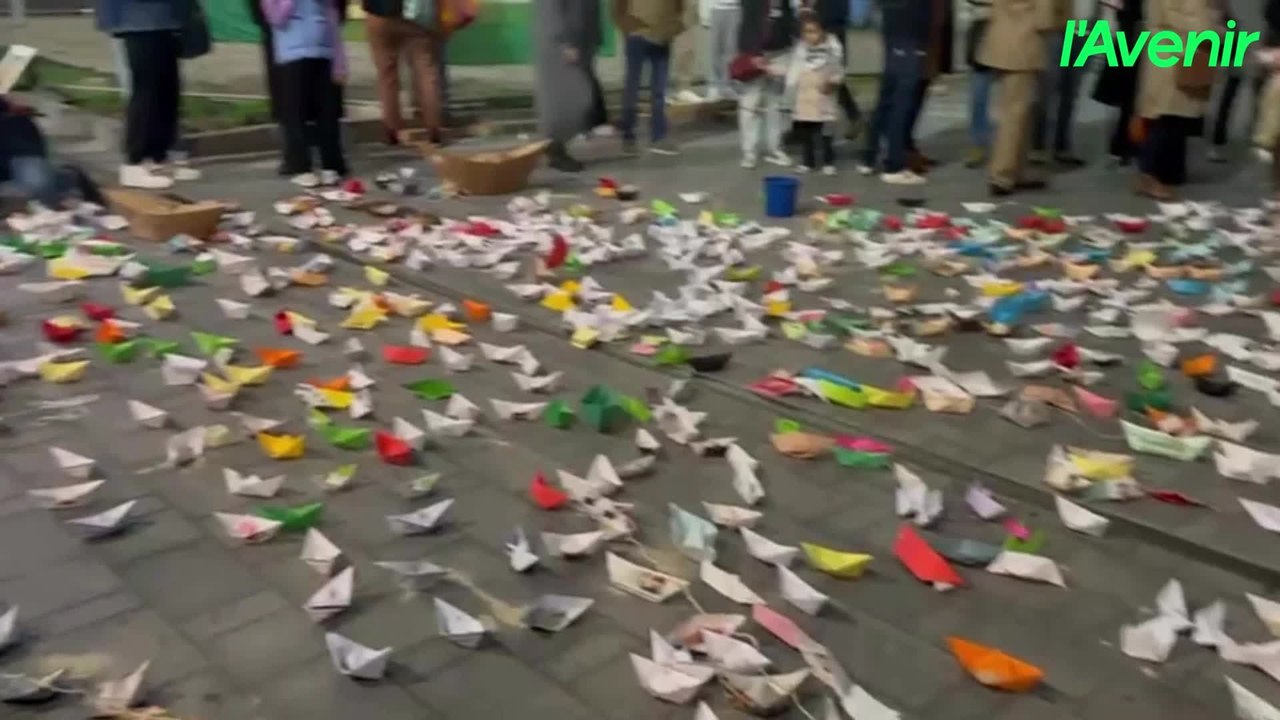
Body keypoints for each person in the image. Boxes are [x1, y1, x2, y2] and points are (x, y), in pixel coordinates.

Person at [96, 0, 192, 189]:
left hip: (165, 17)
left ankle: (158, 157)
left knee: (166, 88)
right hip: (136, 18)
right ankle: (134, 162)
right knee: (146, 90)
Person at [1134, 0, 1221, 199]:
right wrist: (1211, 28)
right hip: (1171, 51)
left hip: (1178, 49)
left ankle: (1167, 172)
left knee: (1173, 116)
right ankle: (1148, 175)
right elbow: (1188, 18)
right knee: (1161, 116)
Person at [262, 0, 348, 188]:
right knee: (295, 112)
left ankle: (330, 165)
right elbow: (276, 18)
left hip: (324, 51)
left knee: (327, 112)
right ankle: (301, 167)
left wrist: (340, 61)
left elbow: (332, 15)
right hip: (292, 53)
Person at [979, 0, 1051, 195]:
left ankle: (1016, 171)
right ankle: (1003, 175)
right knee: (1015, 112)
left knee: (1018, 111)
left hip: (1004, 35)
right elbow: (1045, 19)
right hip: (1024, 41)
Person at [858, 0, 930, 184]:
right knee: (901, 101)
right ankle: (894, 164)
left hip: (897, 26)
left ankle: (869, 157)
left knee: (888, 95)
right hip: (907, 28)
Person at [535, 0, 605, 171]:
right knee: (560, 100)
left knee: (577, 97)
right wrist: (565, 42)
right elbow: (552, 10)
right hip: (563, 46)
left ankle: (558, 147)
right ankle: (554, 149)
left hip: (581, 41)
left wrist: (594, 36)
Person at [363, 0, 444, 146]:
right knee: (425, 70)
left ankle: (392, 129)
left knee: (387, 73)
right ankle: (433, 126)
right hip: (416, 13)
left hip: (380, 12)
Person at [613, 0, 686, 156]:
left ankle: (658, 136)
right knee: (633, 87)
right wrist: (628, 27)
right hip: (638, 35)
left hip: (662, 37)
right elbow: (618, 5)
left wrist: (673, 27)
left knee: (659, 90)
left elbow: (680, 6)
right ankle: (628, 136)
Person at [0, 96, 99, 208]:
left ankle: (69, 180)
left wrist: (8, 107)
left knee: (34, 190)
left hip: (15, 143)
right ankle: (66, 178)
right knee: (28, 193)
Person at [737, 0, 798, 168]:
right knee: (750, 104)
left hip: (780, 52)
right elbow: (747, 23)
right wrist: (753, 54)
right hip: (756, 53)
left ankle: (775, 147)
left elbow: (789, 19)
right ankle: (749, 151)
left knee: (776, 104)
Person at [785, 13, 843, 173]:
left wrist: (833, 82)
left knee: (826, 132)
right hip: (805, 98)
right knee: (806, 133)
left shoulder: (833, 48)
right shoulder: (800, 49)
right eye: (806, 32)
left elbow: (838, 70)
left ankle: (828, 162)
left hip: (825, 97)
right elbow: (793, 72)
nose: (810, 36)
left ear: (823, 31)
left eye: (814, 31)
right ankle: (808, 162)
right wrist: (788, 95)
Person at [1029, 0, 1085, 166]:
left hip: (1082, 28)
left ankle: (1062, 145)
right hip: (1056, 26)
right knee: (1046, 89)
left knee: (1070, 92)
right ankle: (1038, 145)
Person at [1092, 0, 1142, 165]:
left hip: (1130, 36)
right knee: (1131, 97)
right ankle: (1124, 145)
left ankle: (1123, 145)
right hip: (1133, 38)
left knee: (1130, 98)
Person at [803, 0, 861, 135]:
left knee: (830, 79)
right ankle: (853, 116)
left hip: (830, 30)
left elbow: (837, 12)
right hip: (825, 28)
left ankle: (851, 117)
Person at [963, 0, 994, 167]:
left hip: (1074, 29)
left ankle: (1060, 143)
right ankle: (978, 144)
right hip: (986, 27)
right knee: (979, 95)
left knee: (1067, 90)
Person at [700, 0, 741, 101]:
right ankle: (714, 85)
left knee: (730, 49)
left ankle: (727, 85)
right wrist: (704, 15)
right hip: (716, 8)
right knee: (715, 49)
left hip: (735, 9)